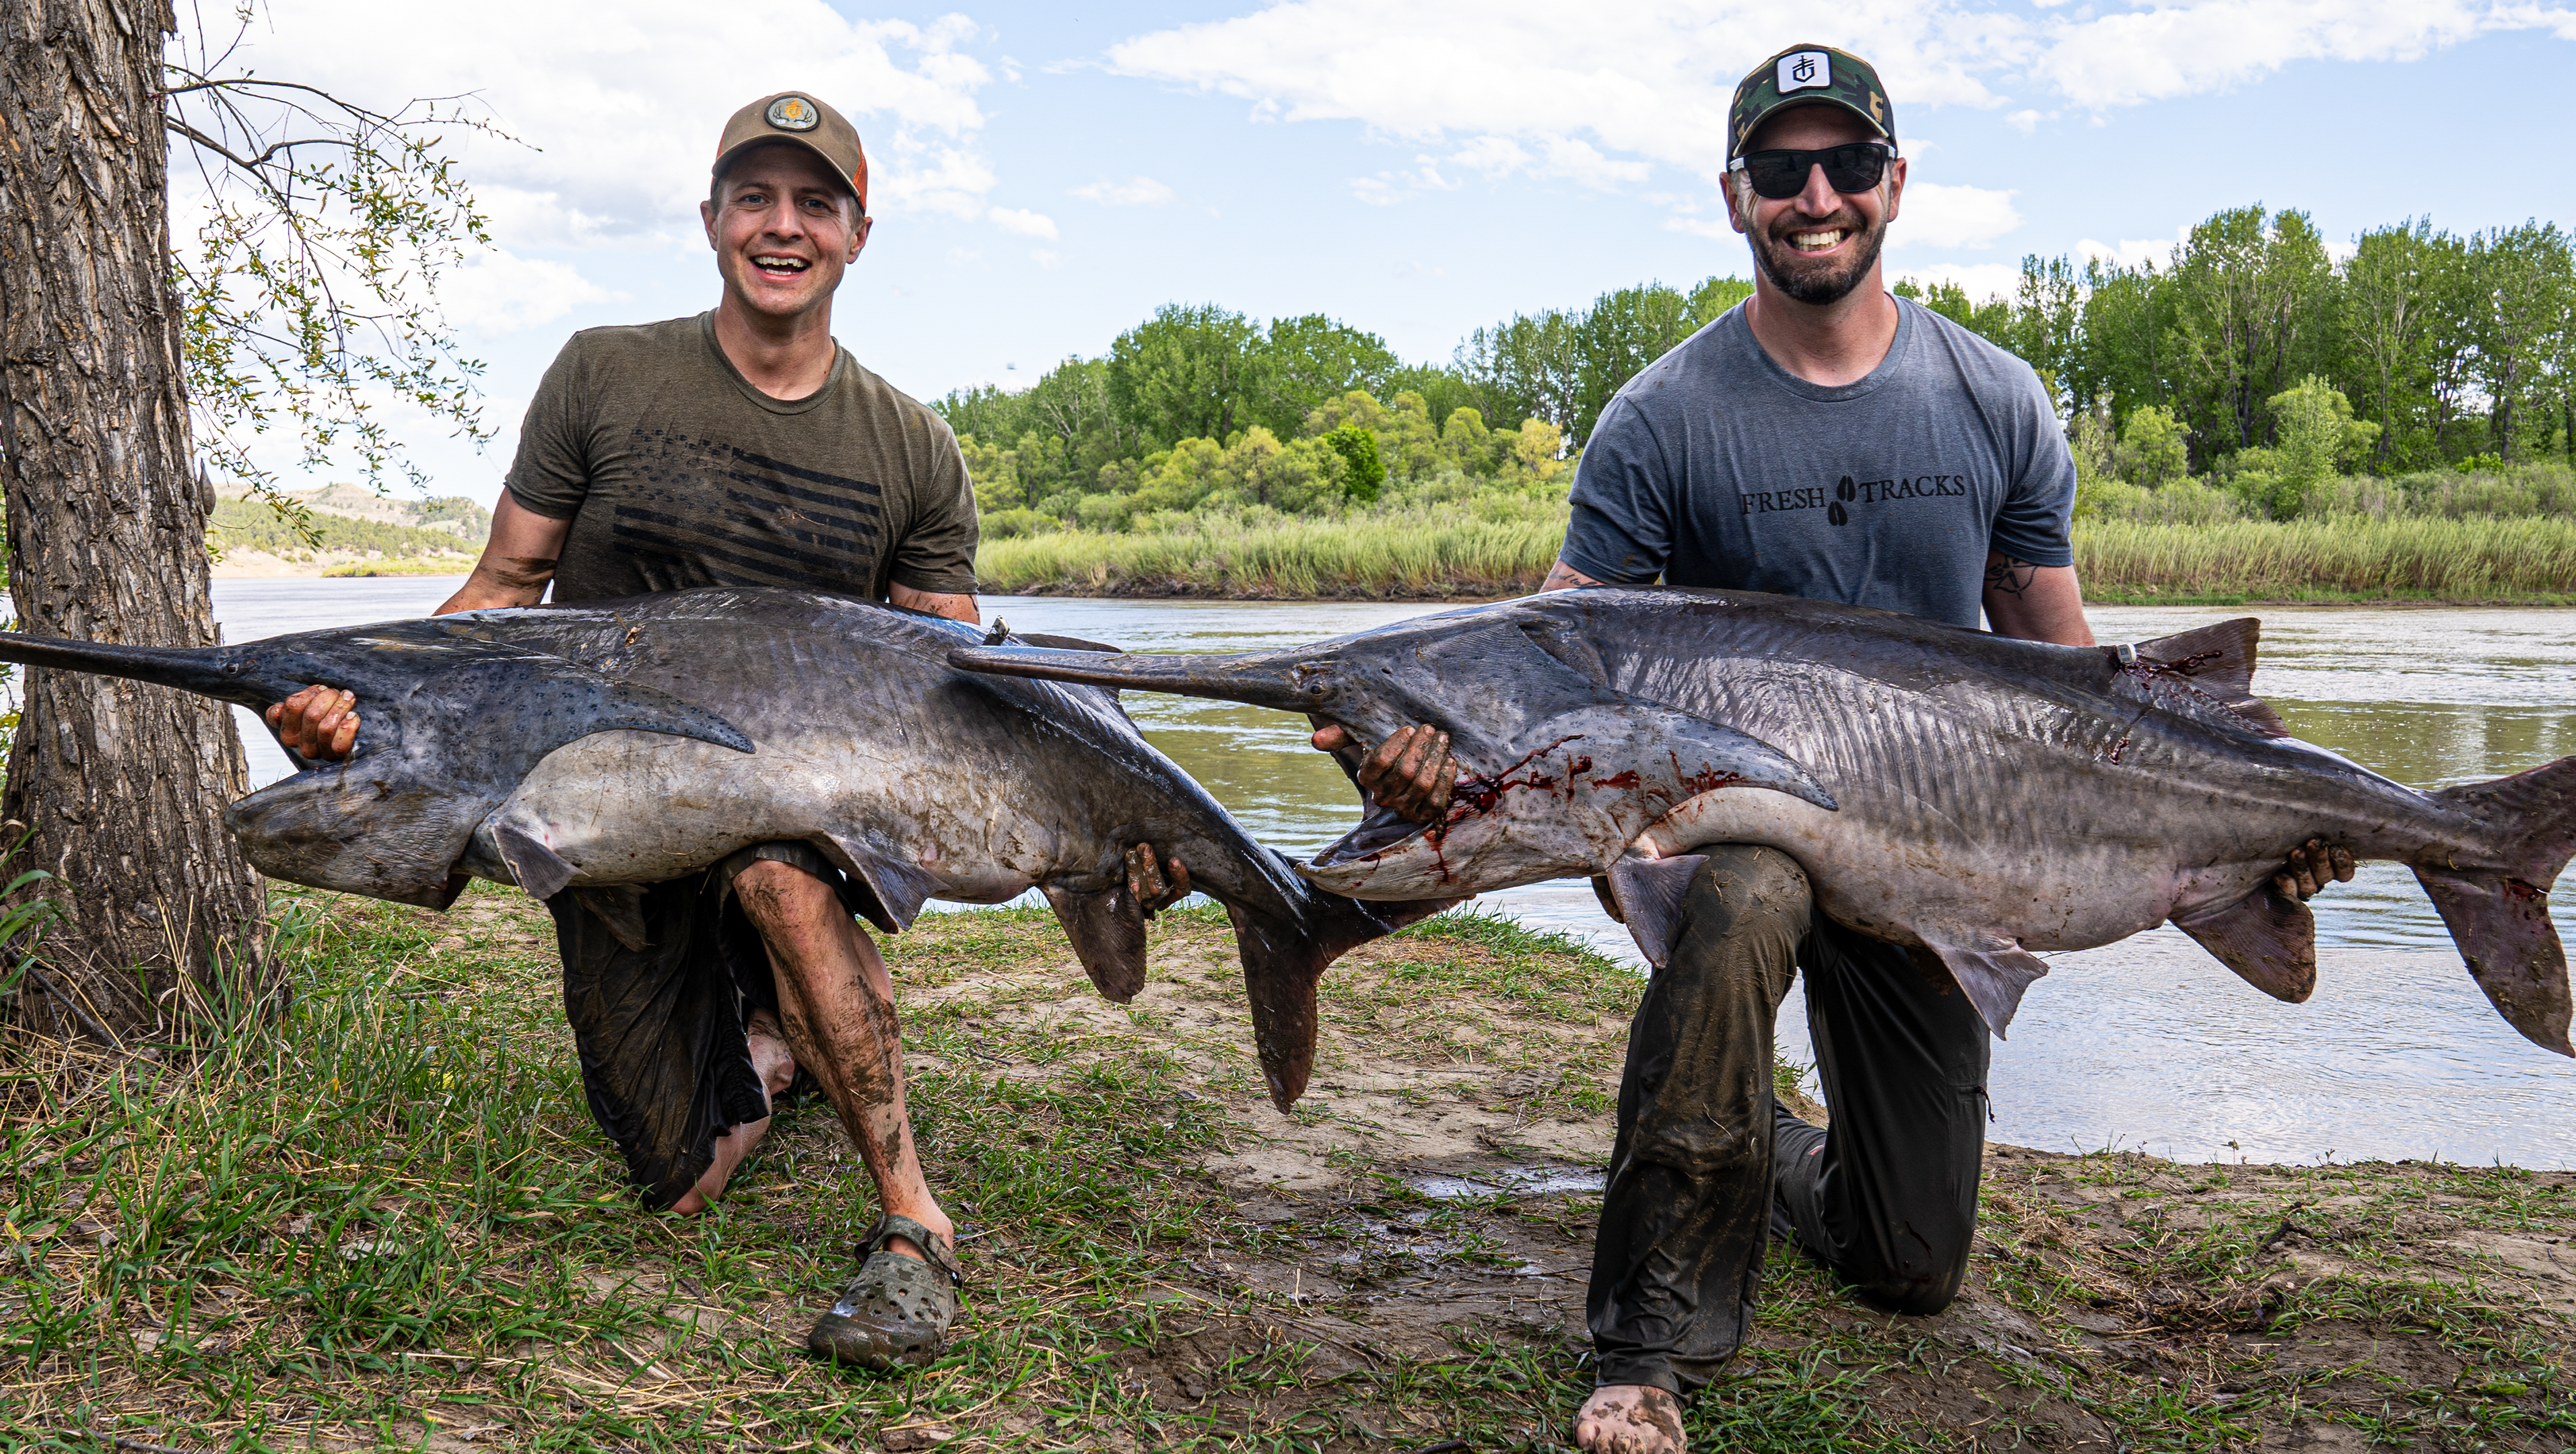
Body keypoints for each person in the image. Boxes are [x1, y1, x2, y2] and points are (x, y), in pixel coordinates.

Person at [1312, 45, 2356, 1454]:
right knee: (1746, 898)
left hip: (1933, 846)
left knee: (1912, 1261)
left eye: (1847, 165)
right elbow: (1554, 655)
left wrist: (2254, 817)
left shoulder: (1994, 397)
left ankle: (1780, 1153)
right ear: (1734, 196)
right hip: (1741, 833)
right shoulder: (1660, 419)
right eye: (1783, 171)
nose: (1818, 195)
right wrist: (1418, 751)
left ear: (1894, 184)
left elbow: (2072, 667)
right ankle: (1645, 1345)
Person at [261, 90, 1186, 1373]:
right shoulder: (602, 372)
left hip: (794, 805)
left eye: (815, 202)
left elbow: (976, 671)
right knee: (679, 1177)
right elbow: (500, 591)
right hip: (610, 813)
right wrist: (374, 699)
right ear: (710, 221)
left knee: (780, 877)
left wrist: (1122, 816)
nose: (783, 225)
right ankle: (779, 1040)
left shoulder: (911, 444)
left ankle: (914, 1223)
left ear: (859, 234)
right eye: (755, 197)